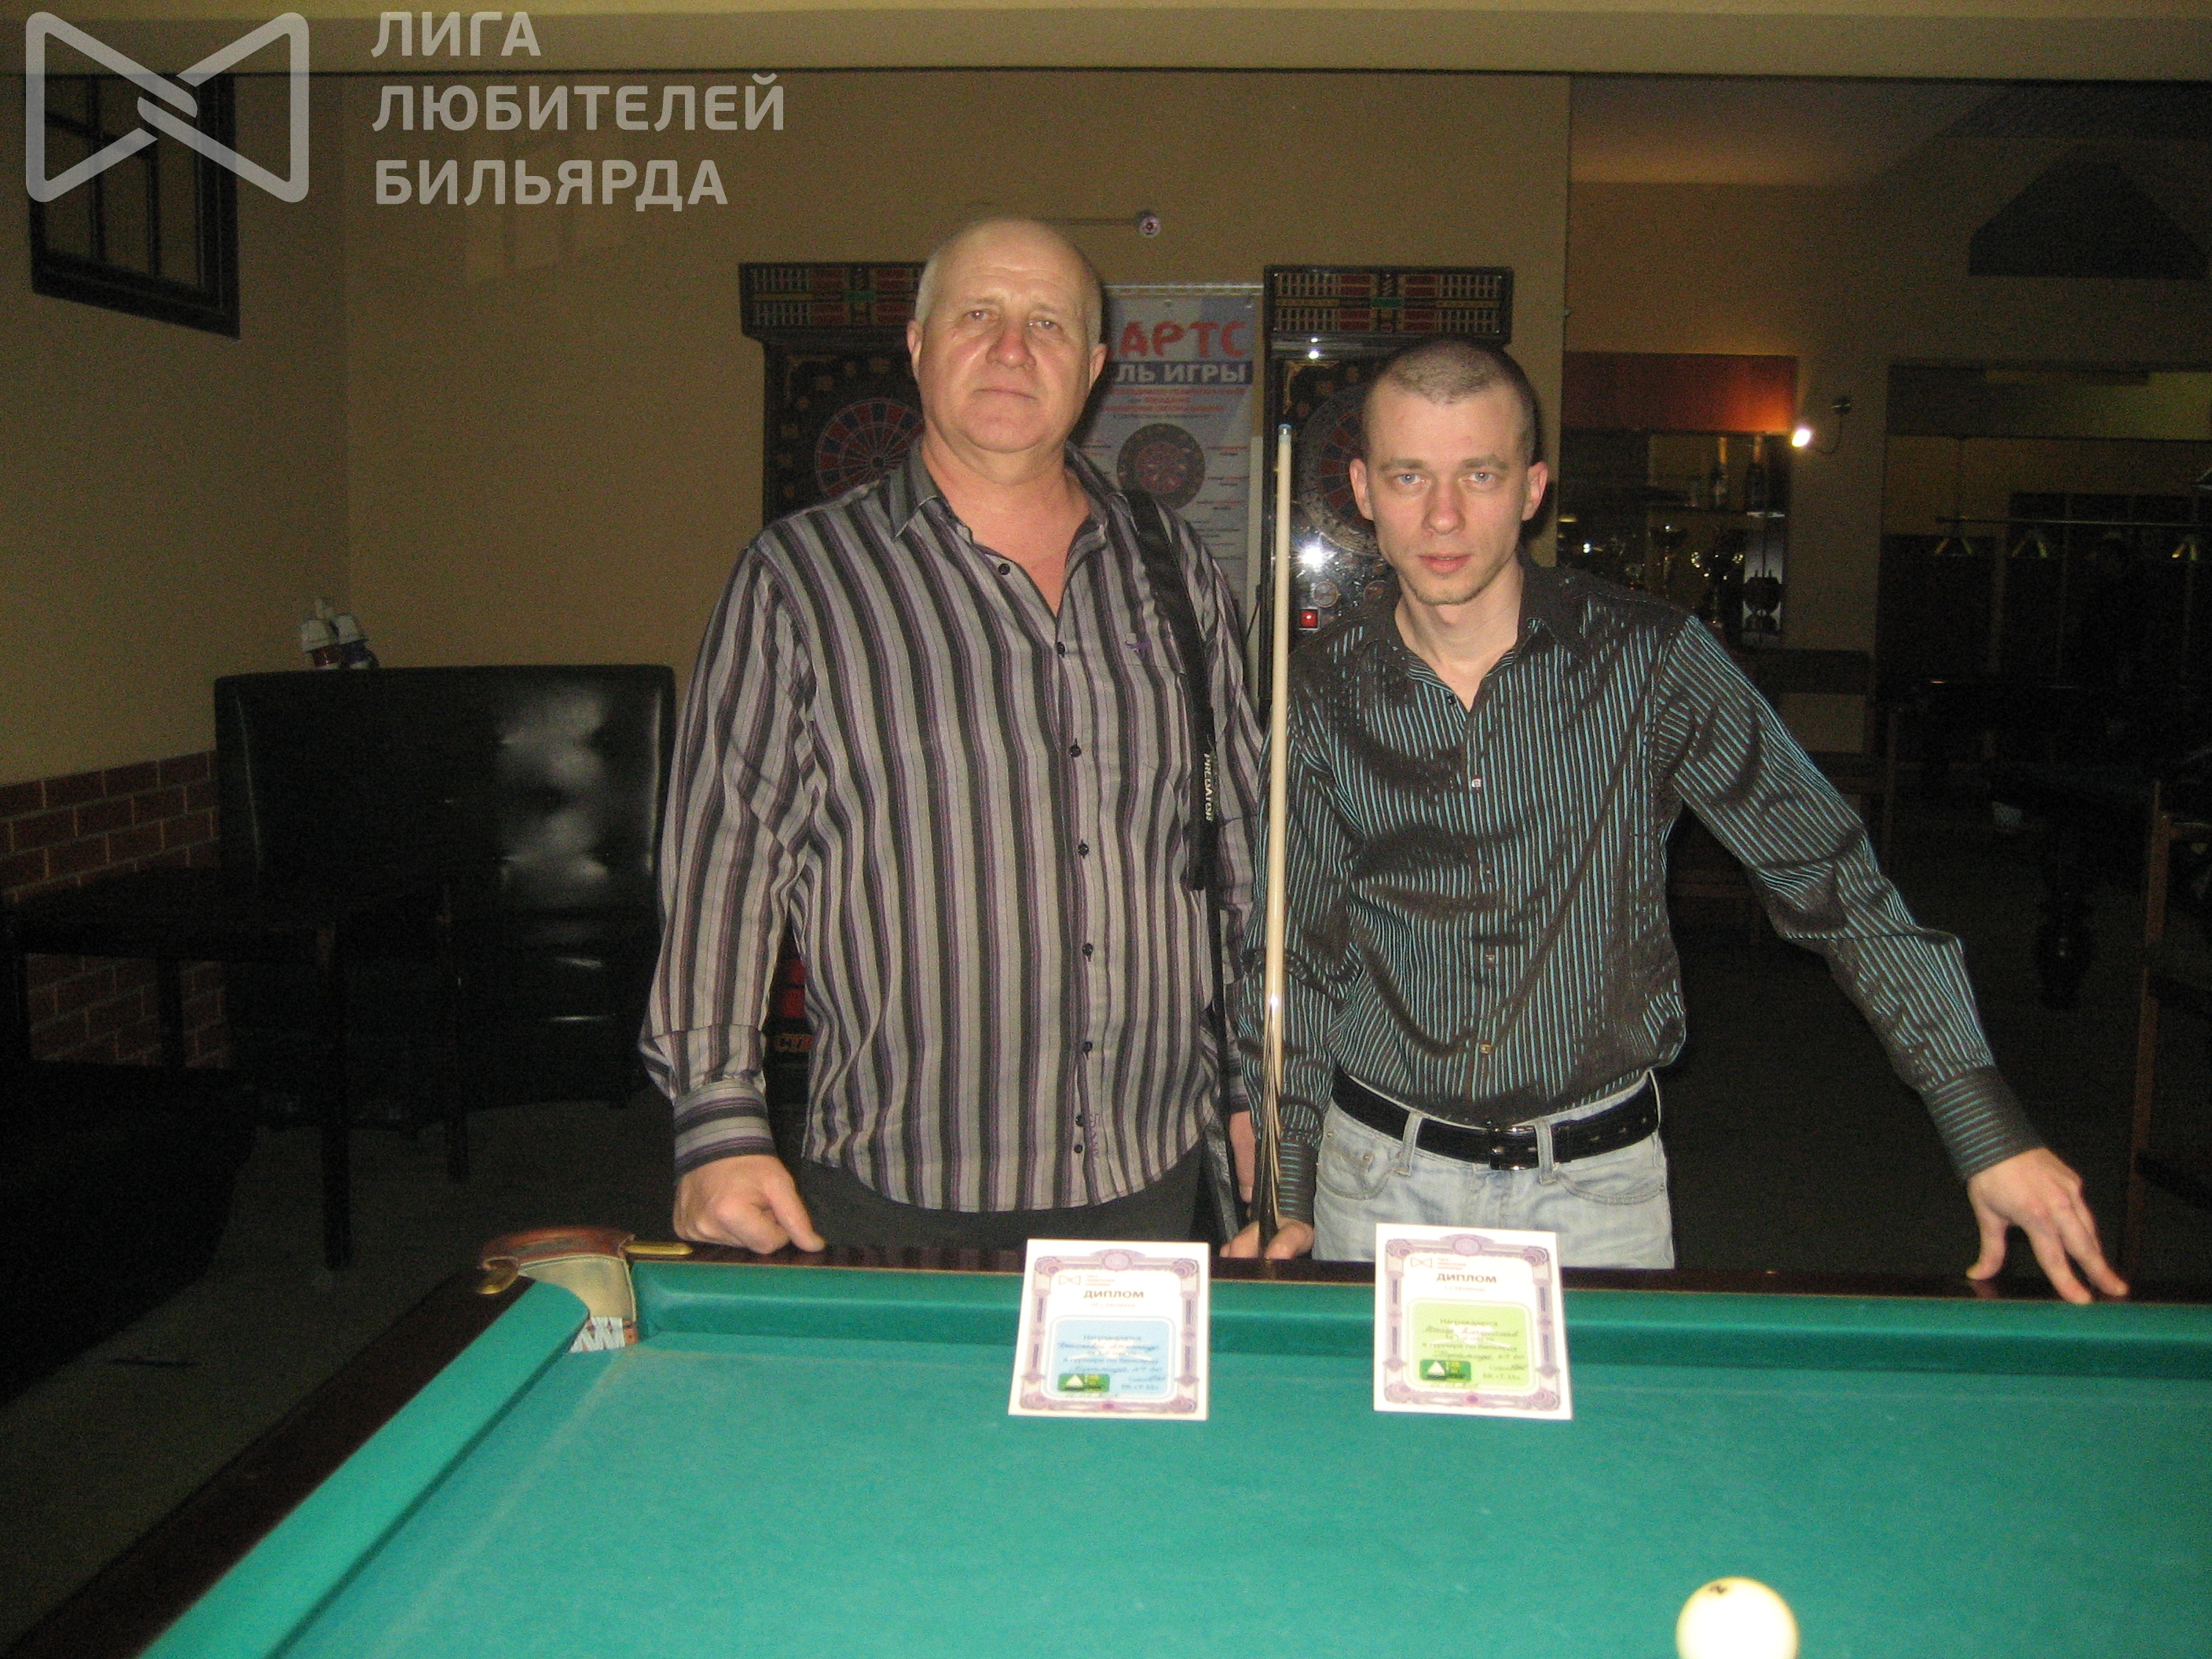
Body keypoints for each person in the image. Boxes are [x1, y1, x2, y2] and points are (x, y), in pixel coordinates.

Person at [1225, 335, 2126, 1305]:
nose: (1441, 515)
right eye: (1409, 476)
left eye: (1477, 475)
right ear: (1363, 490)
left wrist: (1984, 1125)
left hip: (1594, 1190)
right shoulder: (1318, 692)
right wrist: (1284, 1178)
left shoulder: (1650, 659)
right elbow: (1294, 956)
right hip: (1376, 1181)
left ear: (1530, 490)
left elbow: (1829, 879)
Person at [643, 218, 1263, 1253]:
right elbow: (726, 863)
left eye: (1047, 323)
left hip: (1150, 1174)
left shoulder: (1177, 570)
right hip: (901, 1186)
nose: (1012, 348)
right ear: (918, 345)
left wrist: (1251, 1083)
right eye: (978, 315)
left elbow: (1232, 843)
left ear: (1093, 369)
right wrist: (716, 1123)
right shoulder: (799, 580)